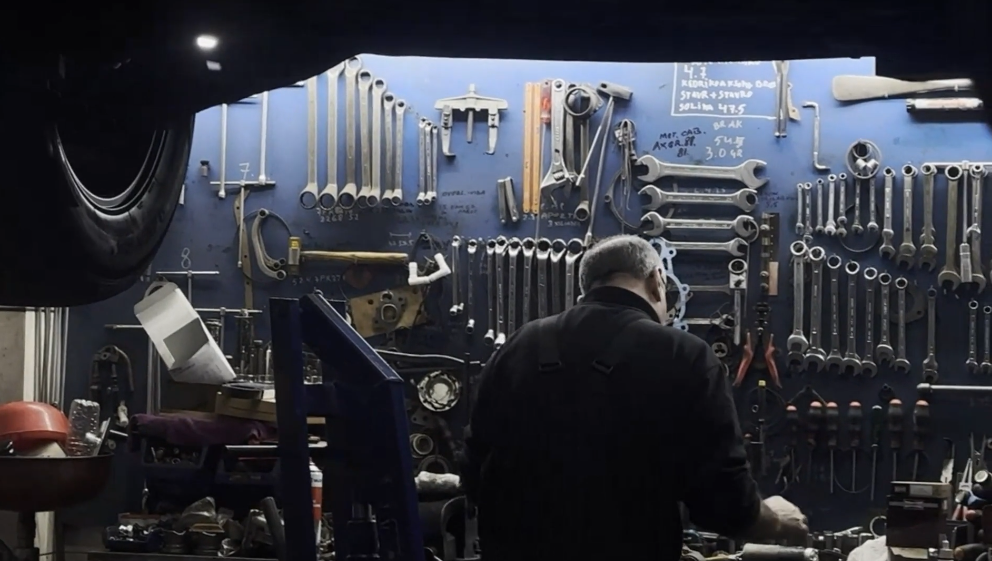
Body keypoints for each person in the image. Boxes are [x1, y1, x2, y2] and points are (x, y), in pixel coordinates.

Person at [462, 234, 808, 561]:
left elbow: (475, 471)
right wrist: (777, 522)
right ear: (658, 280)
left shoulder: (518, 346)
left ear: (589, 285)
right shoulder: (683, 354)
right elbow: (723, 504)